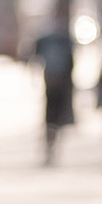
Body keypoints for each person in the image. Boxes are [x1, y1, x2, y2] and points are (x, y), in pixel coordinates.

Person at [32, 12, 77, 161]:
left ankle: (52, 142)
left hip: (57, 82)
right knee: (52, 114)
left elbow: (71, 63)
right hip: (52, 81)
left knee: (54, 115)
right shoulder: (52, 40)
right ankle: (50, 143)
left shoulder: (63, 40)